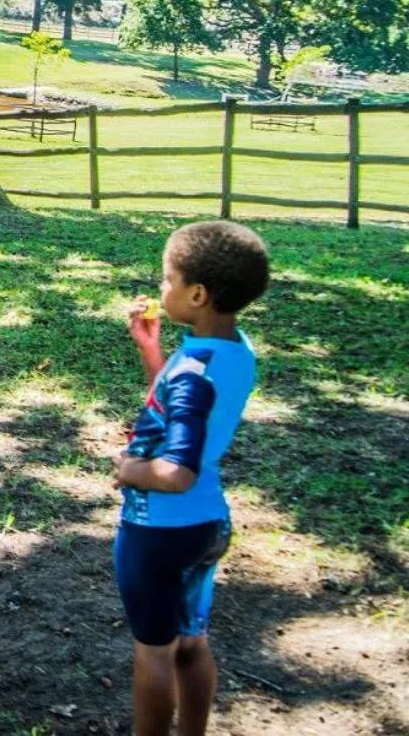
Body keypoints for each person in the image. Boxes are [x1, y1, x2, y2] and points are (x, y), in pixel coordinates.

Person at [113, 221, 268, 736]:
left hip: (160, 529)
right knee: (192, 642)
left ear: (197, 294)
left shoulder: (193, 370)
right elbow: (183, 405)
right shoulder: (233, 350)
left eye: (168, 279)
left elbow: (177, 471)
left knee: (154, 652)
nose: (161, 288)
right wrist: (152, 353)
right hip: (207, 524)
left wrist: (129, 468)